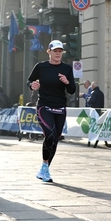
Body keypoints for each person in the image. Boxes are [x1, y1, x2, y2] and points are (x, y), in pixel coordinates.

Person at [27, 40, 76, 182]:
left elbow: (72, 90)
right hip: (44, 106)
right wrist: (32, 85)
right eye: (55, 51)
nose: (58, 54)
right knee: (50, 135)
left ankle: (45, 167)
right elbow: (29, 81)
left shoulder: (67, 68)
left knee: (54, 139)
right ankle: (44, 167)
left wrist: (67, 82)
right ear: (49, 52)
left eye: (60, 51)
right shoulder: (41, 67)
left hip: (60, 107)